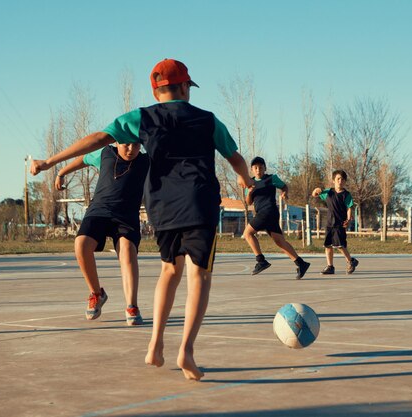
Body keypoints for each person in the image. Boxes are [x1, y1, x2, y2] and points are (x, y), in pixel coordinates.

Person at [31, 58, 253, 381]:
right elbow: (235, 158)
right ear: (185, 87)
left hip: (162, 207)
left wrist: (50, 161)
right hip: (199, 202)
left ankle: (155, 343)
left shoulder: (142, 117)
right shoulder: (207, 120)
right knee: (199, 276)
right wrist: (246, 180)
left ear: (157, 90)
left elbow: (96, 138)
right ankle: (186, 351)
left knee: (169, 270)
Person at [34, 142, 149, 325]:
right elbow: (83, 159)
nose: (130, 149)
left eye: (136, 145)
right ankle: (97, 293)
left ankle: (132, 305)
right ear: (117, 141)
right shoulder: (105, 153)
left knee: (127, 250)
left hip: (126, 217)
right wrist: (62, 172)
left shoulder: (146, 161)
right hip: (99, 211)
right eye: (126, 144)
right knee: (81, 244)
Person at [243, 156, 310, 279]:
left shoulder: (271, 178)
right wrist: (250, 192)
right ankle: (301, 263)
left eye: (261, 167)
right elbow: (248, 202)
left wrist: (285, 192)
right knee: (280, 241)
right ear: (252, 169)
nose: (258, 170)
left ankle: (261, 261)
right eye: (256, 167)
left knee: (247, 233)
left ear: (265, 168)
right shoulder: (250, 183)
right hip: (267, 214)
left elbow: (284, 186)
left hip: (268, 211)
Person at [311, 169, 359, 274]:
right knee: (328, 245)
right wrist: (316, 190)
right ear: (334, 180)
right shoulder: (328, 192)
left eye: (342, 179)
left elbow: (349, 207)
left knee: (340, 245)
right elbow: (315, 194)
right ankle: (330, 266)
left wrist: (348, 219)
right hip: (329, 223)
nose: (340, 181)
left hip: (340, 223)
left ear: (345, 181)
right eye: (338, 179)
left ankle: (351, 261)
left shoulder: (346, 195)